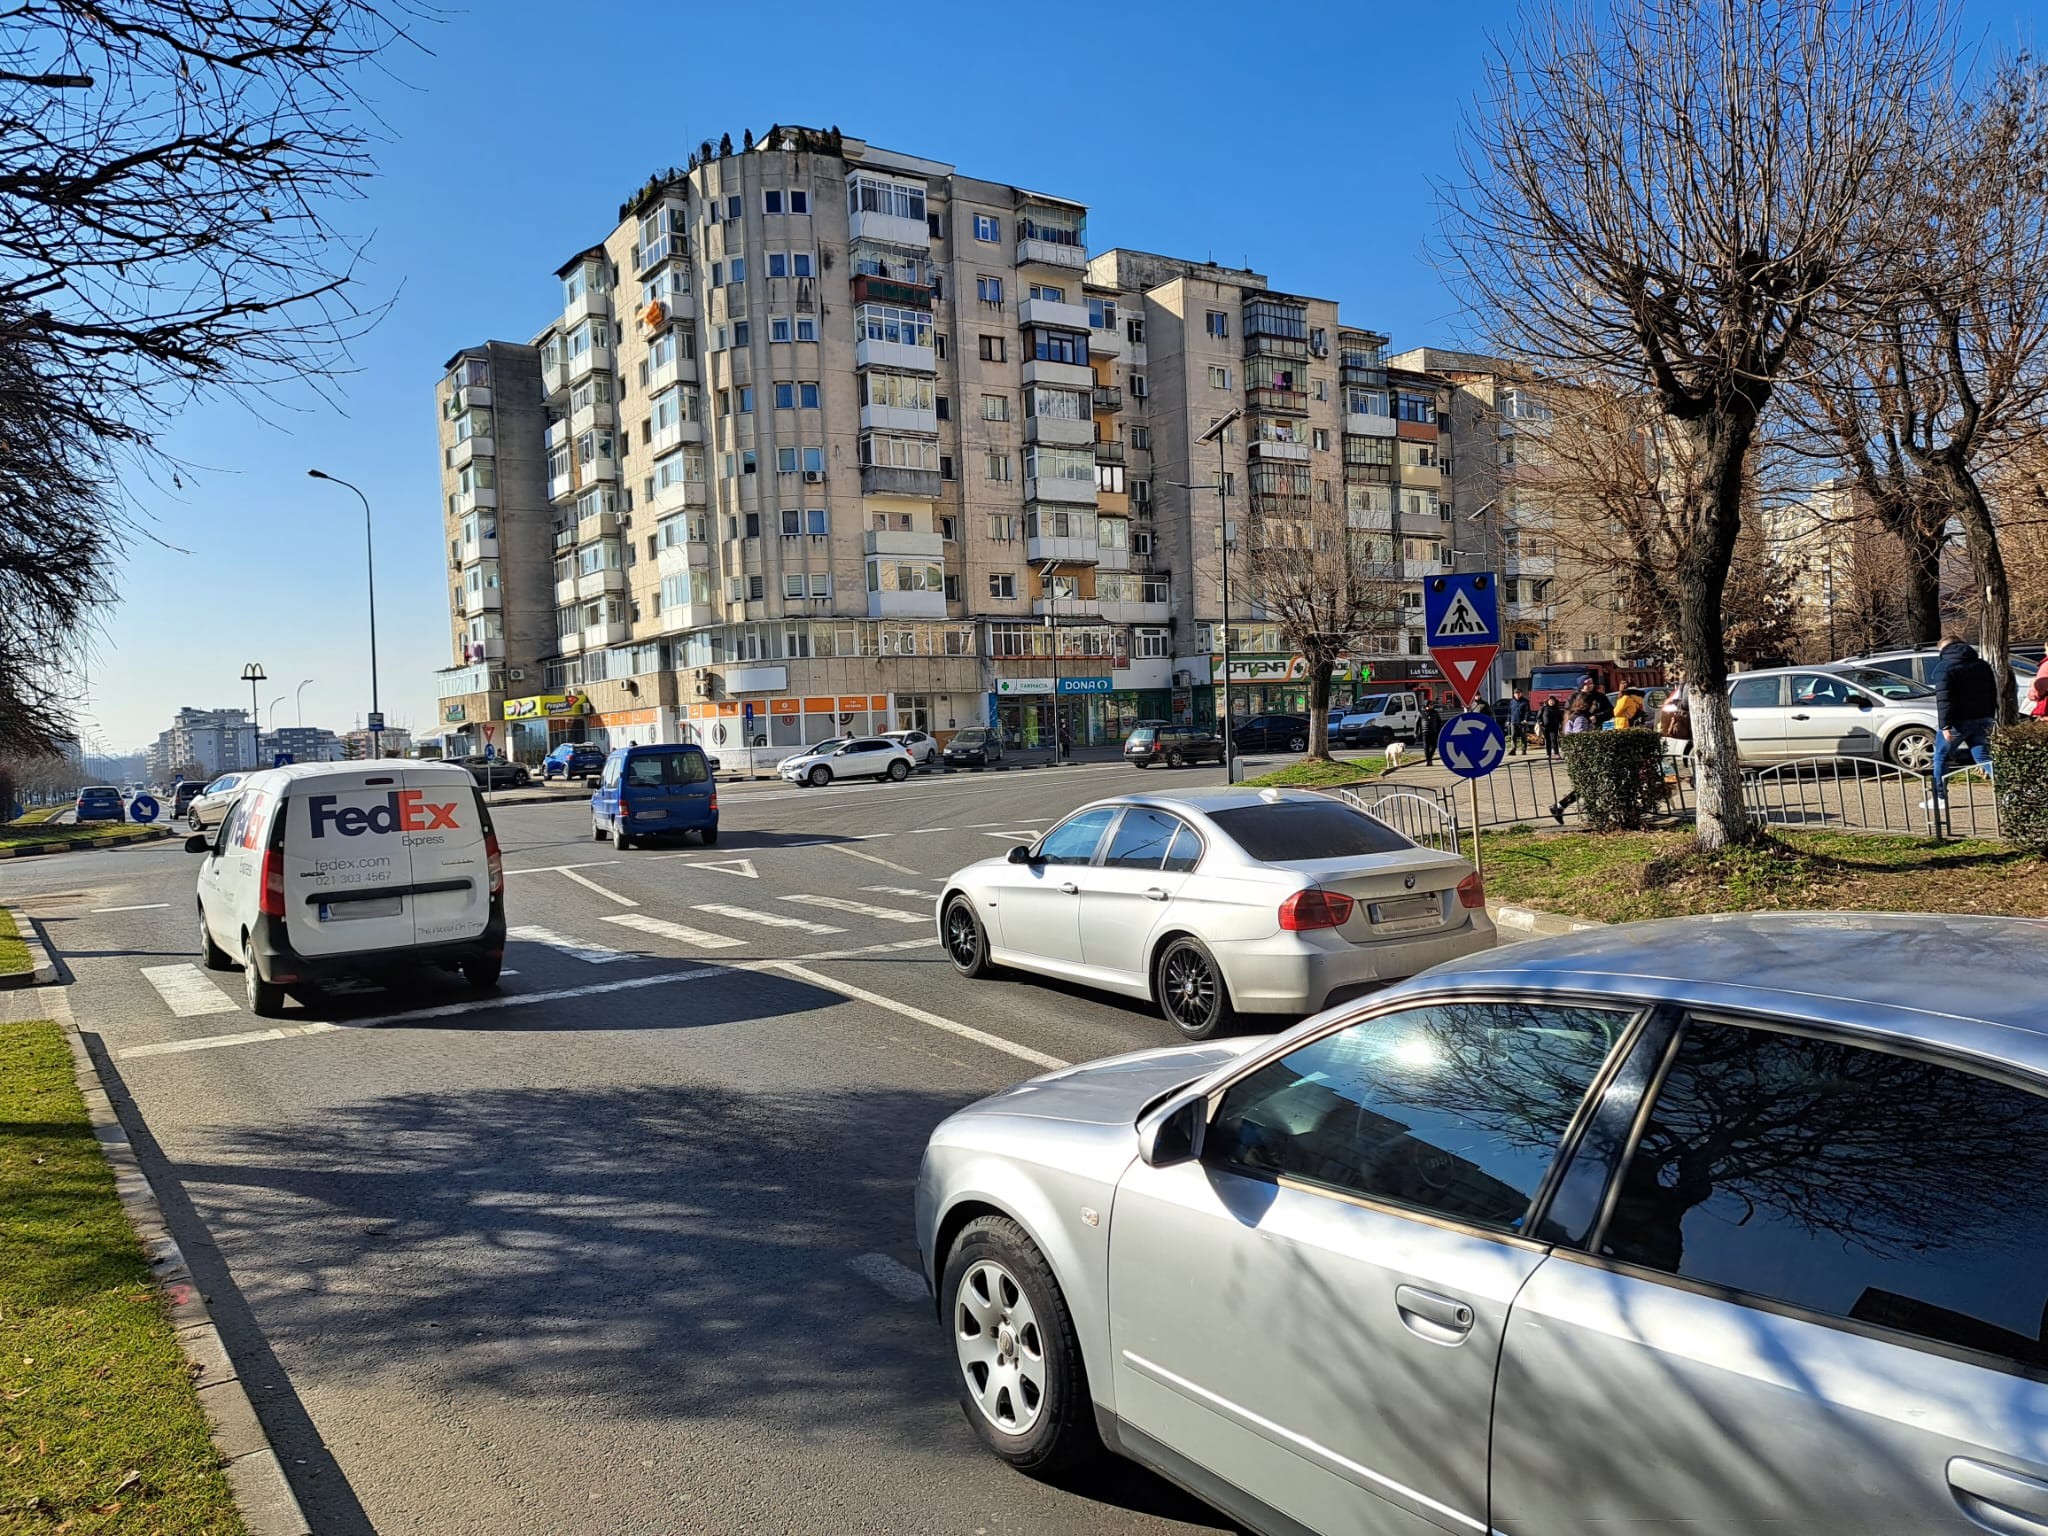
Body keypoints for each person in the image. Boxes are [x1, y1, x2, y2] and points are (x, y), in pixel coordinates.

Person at [1927, 634, 1999, 807]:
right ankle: (2009, 789)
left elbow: (1944, 699)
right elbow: (1992, 691)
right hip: (1982, 718)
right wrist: (1990, 715)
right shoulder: (1982, 665)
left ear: (1943, 649)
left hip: (1957, 721)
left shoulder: (1944, 667)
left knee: (1941, 757)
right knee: (1982, 755)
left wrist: (1945, 725)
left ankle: (1939, 797)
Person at [1419, 699, 1444, 766]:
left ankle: (1429, 758)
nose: (1432, 706)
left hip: (1434, 732)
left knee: (1434, 746)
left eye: (1432, 704)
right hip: (1425, 732)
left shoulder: (1435, 713)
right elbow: (1417, 723)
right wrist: (1416, 732)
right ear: (1426, 705)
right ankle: (1428, 760)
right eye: (1431, 704)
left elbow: (1439, 722)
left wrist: (1439, 730)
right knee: (1426, 747)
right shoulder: (1421, 713)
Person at [1508, 688, 1531, 754]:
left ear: (1521, 694)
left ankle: (1524, 750)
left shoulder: (1525, 701)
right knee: (1513, 736)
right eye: (1516, 693)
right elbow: (1509, 712)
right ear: (1514, 694)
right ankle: (1513, 749)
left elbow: (1527, 712)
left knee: (1523, 736)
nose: (1517, 695)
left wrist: (1525, 719)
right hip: (1514, 721)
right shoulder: (1512, 702)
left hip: (1522, 722)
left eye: (1518, 693)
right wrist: (1508, 720)